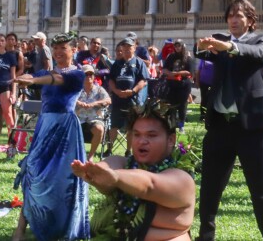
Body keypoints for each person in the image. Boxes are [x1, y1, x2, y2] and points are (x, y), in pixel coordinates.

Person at [195, 0, 263, 241]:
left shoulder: (261, 40)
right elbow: (200, 52)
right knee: (210, 187)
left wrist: (230, 47)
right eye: (230, 16)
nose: (233, 20)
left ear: (250, 21)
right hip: (219, 126)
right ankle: (205, 236)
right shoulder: (219, 40)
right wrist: (201, 46)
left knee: (261, 189)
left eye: (239, 16)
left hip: (251, 127)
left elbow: (261, 55)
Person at [71, 103, 195, 241]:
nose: (142, 141)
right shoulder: (123, 164)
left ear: (171, 139)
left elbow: (149, 185)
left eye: (151, 135)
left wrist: (116, 177)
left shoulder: (182, 179)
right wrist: (95, 172)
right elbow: (108, 169)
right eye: (137, 134)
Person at [12, 33, 89, 241]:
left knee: (63, 179)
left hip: (66, 130)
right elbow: (41, 77)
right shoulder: (45, 72)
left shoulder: (77, 75)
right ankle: (20, 229)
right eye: (55, 48)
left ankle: (62, 226)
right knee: (32, 171)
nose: (58, 52)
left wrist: (34, 79)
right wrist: (25, 79)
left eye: (63, 48)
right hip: (45, 126)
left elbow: (56, 80)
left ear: (74, 50)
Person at [106, 38, 150, 156]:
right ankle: (109, 149)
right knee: (114, 125)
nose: (126, 49)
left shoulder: (139, 63)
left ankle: (128, 151)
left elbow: (143, 81)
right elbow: (111, 80)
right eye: (124, 46)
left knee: (131, 127)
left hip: (132, 100)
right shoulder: (117, 63)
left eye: (129, 47)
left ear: (134, 48)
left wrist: (132, 91)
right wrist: (116, 91)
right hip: (118, 99)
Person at [75, 65, 111, 161]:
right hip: (78, 119)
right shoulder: (76, 89)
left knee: (99, 129)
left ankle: (90, 156)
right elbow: (68, 99)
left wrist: (95, 103)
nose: (88, 76)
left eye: (90, 74)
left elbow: (108, 100)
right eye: (86, 74)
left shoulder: (99, 89)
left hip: (94, 118)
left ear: (94, 76)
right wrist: (79, 103)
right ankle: (74, 155)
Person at [160, 39, 192, 131]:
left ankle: (181, 125)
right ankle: (172, 125)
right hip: (171, 84)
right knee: (172, 106)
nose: (177, 48)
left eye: (179, 46)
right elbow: (164, 69)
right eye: (176, 46)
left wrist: (177, 73)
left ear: (182, 46)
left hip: (183, 85)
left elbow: (189, 72)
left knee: (182, 106)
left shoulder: (187, 58)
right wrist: (169, 73)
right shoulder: (171, 56)